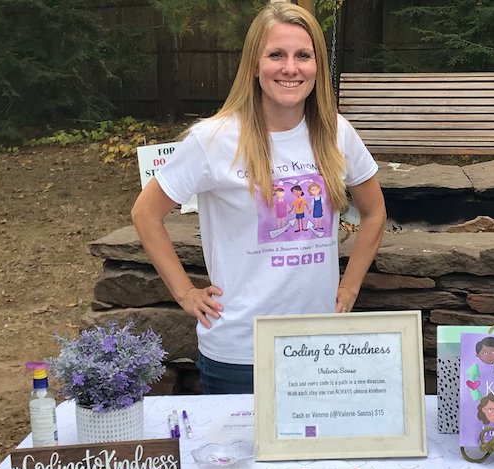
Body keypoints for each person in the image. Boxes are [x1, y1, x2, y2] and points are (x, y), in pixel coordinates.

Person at [131, 3, 386, 394]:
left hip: (317, 346)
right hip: (239, 352)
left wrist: (350, 287)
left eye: (303, 55)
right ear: (253, 64)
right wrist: (185, 292)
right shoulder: (212, 139)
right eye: (276, 55)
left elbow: (374, 213)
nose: (290, 68)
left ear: (318, 66)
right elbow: (145, 213)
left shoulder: (338, 133)